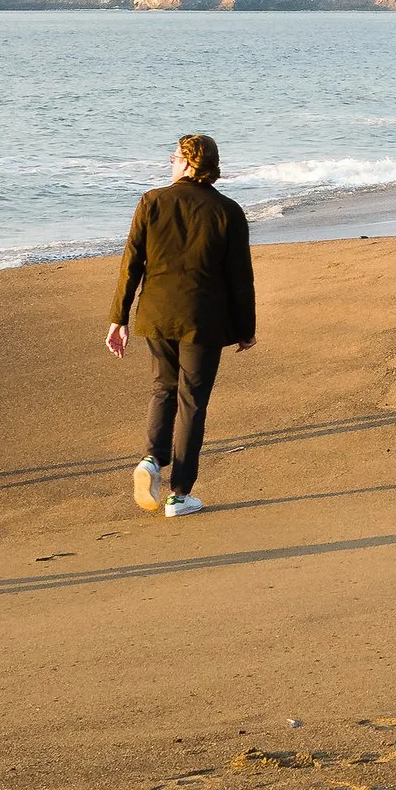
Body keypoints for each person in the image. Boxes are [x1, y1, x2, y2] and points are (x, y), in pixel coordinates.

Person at [108, 132, 255, 516]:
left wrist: (118, 318)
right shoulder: (227, 211)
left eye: (174, 158)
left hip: (156, 314)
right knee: (192, 402)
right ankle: (179, 495)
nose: (171, 163)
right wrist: (246, 328)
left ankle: (151, 461)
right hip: (203, 319)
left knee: (163, 388)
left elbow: (131, 265)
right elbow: (241, 277)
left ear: (189, 163)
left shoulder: (152, 201)